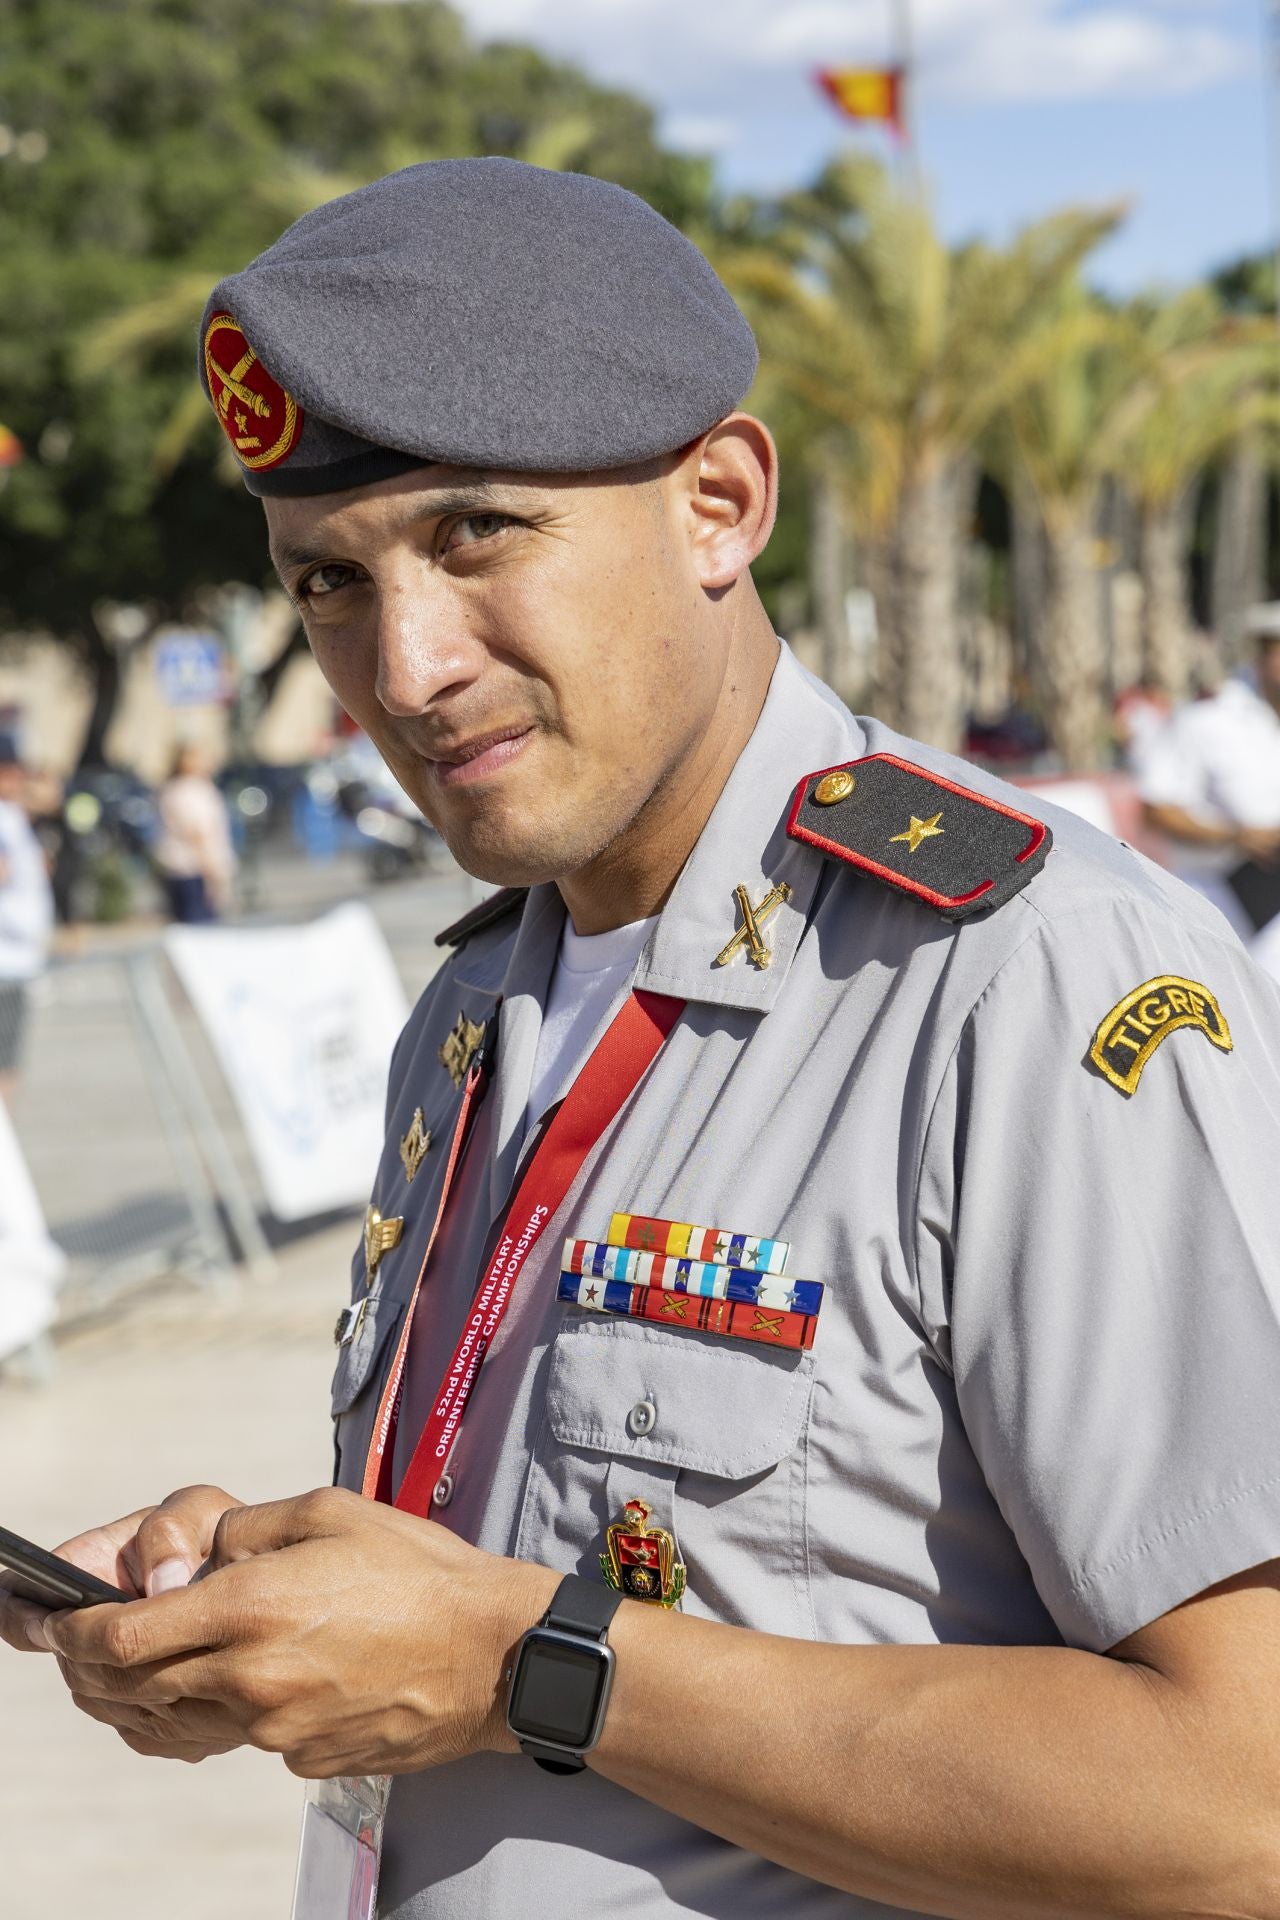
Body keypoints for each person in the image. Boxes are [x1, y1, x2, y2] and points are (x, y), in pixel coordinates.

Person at [4, 159, 1280, 1920]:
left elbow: (1245, 1806)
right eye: (329, 585)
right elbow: (594, 1562)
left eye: (475, 536)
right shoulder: (479, 997)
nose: (407, 665)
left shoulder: (1023, 977)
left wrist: (523, 1665)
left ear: (720, 505)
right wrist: (286, 1592)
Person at [1140, 619, 1280, 983]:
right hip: (1219, 898)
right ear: (1265, 654)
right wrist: (1235, 836)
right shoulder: (1208, 719)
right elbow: (1156, 809)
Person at [0, 741, 54, 1111]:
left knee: (10, 1058)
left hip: (19, 955)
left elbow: (51, 799)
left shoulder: (16, 818)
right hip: (6, 957)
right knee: (5, 1060)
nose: (18, 779)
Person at [153, 743, 237, 924]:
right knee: (199, 929)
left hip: (193, 868)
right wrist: (210, 870)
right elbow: (196, 833)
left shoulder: (196, 787)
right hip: (192, 868)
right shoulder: (186, 791)